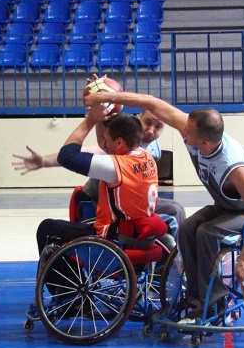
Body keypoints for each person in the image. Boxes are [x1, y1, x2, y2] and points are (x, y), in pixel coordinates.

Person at [84, 91, 244, 323]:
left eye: (188, 131)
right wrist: (107, 96)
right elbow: (151, 102)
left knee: (207, 232)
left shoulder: (233, 166)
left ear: (204, 142)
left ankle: (213, 304)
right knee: (186, 228)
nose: (183, 131)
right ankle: (195, 299)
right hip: (229, 205)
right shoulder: (196, 131)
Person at [12, 108, 186, 228]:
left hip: (129, 197)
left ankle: (172, 260)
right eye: (147, 122)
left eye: (158, 126)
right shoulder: (124, 140)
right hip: (101, 195)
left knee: (176, 207)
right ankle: (175, 261)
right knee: (174, 210)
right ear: (140, 117)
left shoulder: (154, 149)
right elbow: (88, 151)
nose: (150, 130)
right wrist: (44, 161)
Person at [36, 105, 167, 261]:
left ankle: (64, 278)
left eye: (107, 140)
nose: (104, 145)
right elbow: (105, 144)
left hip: (113, 238)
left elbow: (66, 156)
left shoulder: (115, 166)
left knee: (48, 228)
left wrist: (90, 120)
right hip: (137, 236)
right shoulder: (148, 158)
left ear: (119, 143)